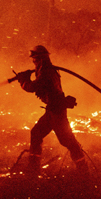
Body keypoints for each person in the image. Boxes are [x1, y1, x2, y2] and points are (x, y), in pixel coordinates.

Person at [15, 45, 88, 175]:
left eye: (35, 60)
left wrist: (23, 80)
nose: (34, 62)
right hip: (51, 110)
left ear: (41, 59)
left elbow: (33, 87)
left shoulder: (47, 72)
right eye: (33, 60)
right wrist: (26, 77)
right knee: (36, 133)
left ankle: (84, 171)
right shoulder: (44, 70)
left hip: (57, 112)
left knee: (68, 141)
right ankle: (33, 169)